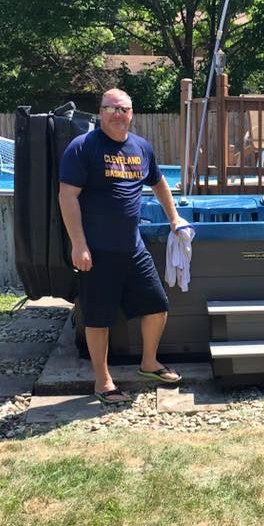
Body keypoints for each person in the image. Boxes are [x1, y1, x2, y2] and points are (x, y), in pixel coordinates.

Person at [58, 87, 184, 403]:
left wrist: (174, 218)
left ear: (132, 113)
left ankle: (149, 362)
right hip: (97, 252)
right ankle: (103, 381)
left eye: (123, 108)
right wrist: (78, 245)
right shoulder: (82, 147)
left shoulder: (141, 147)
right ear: (100, 113)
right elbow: (67, 196)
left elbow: (158, 181)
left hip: (133, 249)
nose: (118, 114)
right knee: (98, 317)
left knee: (157, 306)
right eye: (111, 108)